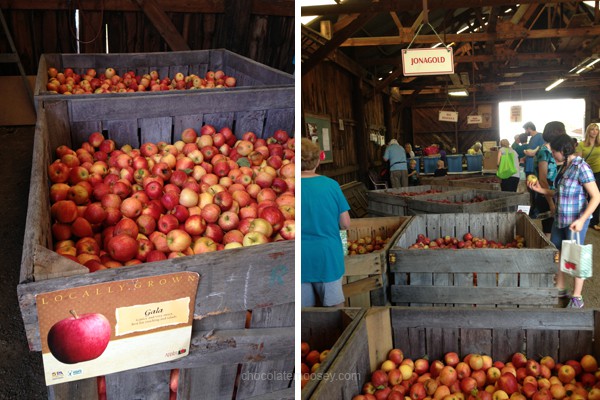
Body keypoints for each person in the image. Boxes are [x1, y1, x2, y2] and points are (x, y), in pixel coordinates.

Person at [528, 132, 600, 308]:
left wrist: (583, 220)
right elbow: (559, 193)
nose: (552, 155)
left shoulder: (581, 167)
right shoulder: (564, 167)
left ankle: (577, 297)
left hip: (575, 223)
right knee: (557, 255)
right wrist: (540, 190)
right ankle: (560, 290)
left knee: (576, 258)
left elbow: (596, 196)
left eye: (554, 152)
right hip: (559, 220)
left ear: (563, 150)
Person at [301, 138, 351, 308]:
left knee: (305, 317)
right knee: (334, 311)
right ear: (318, 159)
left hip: (300, 259)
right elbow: (345, 224)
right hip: (327, 257)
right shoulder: (331, 185)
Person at [529, 121, 562, 239]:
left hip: (554, 193)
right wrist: (551, 204)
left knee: (555, 229)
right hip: (547, 195)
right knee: (549, 230)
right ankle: (550, 255)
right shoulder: (544, 152)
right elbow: (543, 180)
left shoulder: (553, 152)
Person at [575, 123, 600, 231]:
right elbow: (578, 160)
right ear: (588, 131)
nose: (595, 131)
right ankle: (585, 218)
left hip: (599, 171)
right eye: (592, 129)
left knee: (596, 196)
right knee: (586, 196)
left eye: (597, 129)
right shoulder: (581, 144)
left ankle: (594, 221)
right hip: (586, 173)